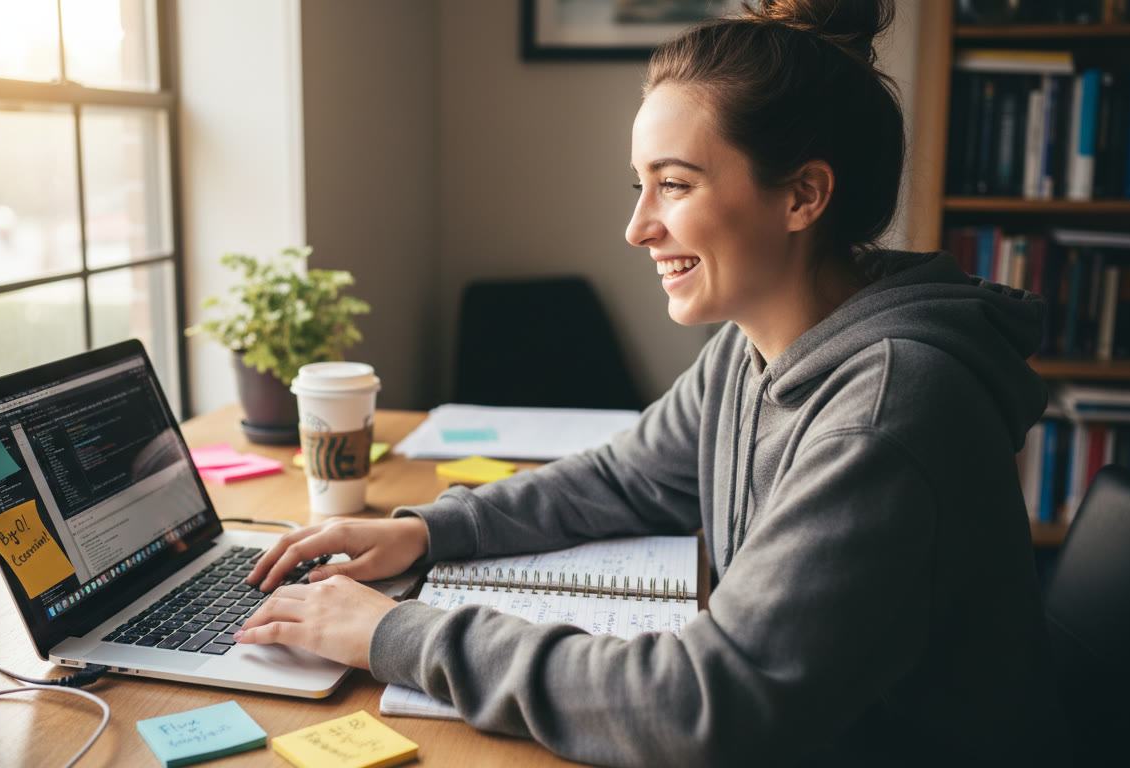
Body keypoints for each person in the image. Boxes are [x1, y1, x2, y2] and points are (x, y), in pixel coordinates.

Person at [237, 0, 1067, 764]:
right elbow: (623, 476)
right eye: (641, 185)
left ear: (804, 196)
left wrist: (398, 635)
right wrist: (425, 532)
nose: (638, 226)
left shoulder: (886, 414)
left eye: (674, 183)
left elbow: (704, 704)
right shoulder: (758, 348)